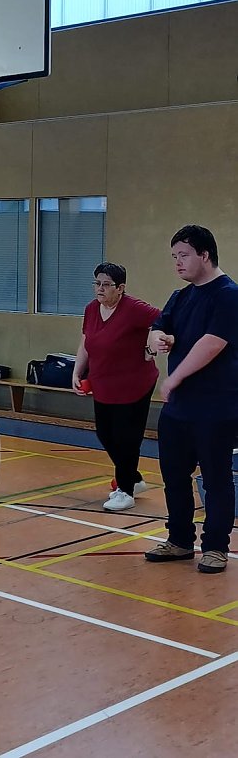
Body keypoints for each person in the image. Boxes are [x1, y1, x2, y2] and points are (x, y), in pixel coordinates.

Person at [145, 225, 238, 574]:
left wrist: (176, 376)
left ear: (205, 254)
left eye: (183, 255)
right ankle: (180, 539)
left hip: (216, 407)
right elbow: (158, 326)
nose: (178, 263)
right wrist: (159, 340)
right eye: (174, 257)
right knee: (174, 475)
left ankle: (215, 547)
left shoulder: (228, 295)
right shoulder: (180, 296)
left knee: (216, 479)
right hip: (179, 409)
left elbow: (212, 343)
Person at [72, 263, 161, 512]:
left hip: (135, 384)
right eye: (97, 283)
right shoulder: (91, 310)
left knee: (126, 438)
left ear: (120, 288)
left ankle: (125, 491)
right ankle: (132, 478)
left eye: (106, 284)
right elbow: (86, 342)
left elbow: (164, 321)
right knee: (105, 433)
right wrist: (77, 371)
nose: (100, 288)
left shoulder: (134, 309)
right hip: (103, 382)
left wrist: (150, 348)